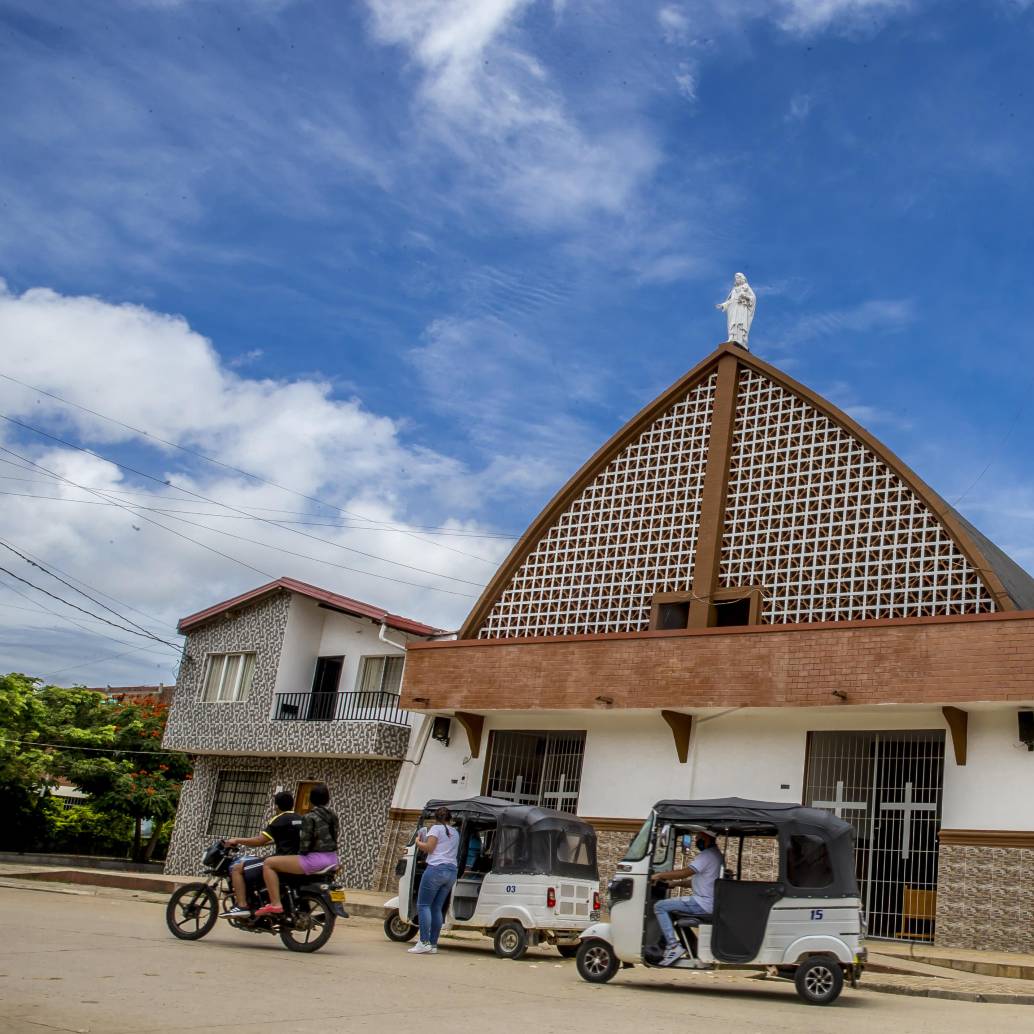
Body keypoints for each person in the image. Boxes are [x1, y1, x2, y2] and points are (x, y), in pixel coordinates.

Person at [255, 783, 339, 917]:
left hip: (314, 860)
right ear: (327, 799)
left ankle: (276, 903)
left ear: (310, 799)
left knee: (269, 863)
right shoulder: (333, 816)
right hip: (333, 859)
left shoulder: (309, 817)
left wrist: (301, 854)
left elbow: (305, 843)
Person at [220, 790, 302, 918]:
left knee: (237, 868)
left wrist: (236, 840)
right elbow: (289, 839)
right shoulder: (300, 818)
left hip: (279, 862)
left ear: (277, 806)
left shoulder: (279, 819)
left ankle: (241, 905)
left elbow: (259, 840)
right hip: (296, 862)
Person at [651, 831, 724, 967]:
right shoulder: (716, 855)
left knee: (660, 906)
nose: (696, 840)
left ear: (707, 838)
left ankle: (673, 947)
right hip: (708, 902)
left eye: (699, 838)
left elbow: (686, 872)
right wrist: (675, 884)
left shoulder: (707, 855)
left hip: (702, 903)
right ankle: (690, 946)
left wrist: (659, 875)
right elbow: (697, 881)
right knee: (671, 912)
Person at [408, 806, 459, 955]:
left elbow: (429, 848)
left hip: (436, 869)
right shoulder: (456, 832)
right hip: (451, 872)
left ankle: (423, 942)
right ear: (450, 818)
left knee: (423, 905)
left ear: (436, 818)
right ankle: (433, 943)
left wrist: (418, 841)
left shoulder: (436, 829)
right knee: (437, 907)